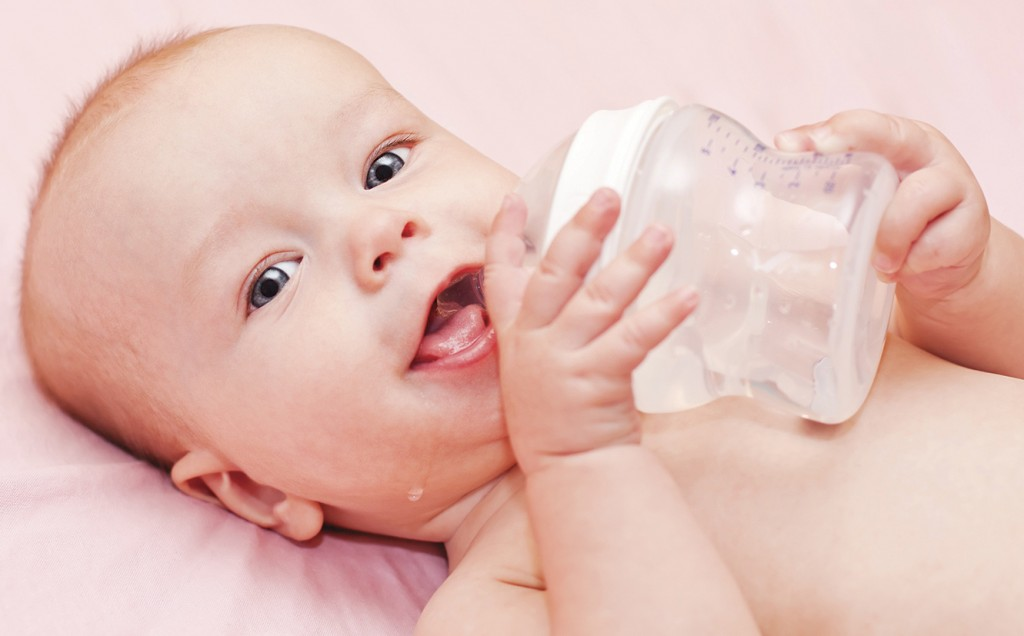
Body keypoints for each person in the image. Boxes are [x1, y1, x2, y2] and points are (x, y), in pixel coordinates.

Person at [19, 24, 1024, 634]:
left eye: (383, 166)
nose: (380, 230)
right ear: (256, 487)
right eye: (270, 282)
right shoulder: (501, 585)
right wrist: (583, 458)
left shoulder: (736, 295)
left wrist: (962, 274)